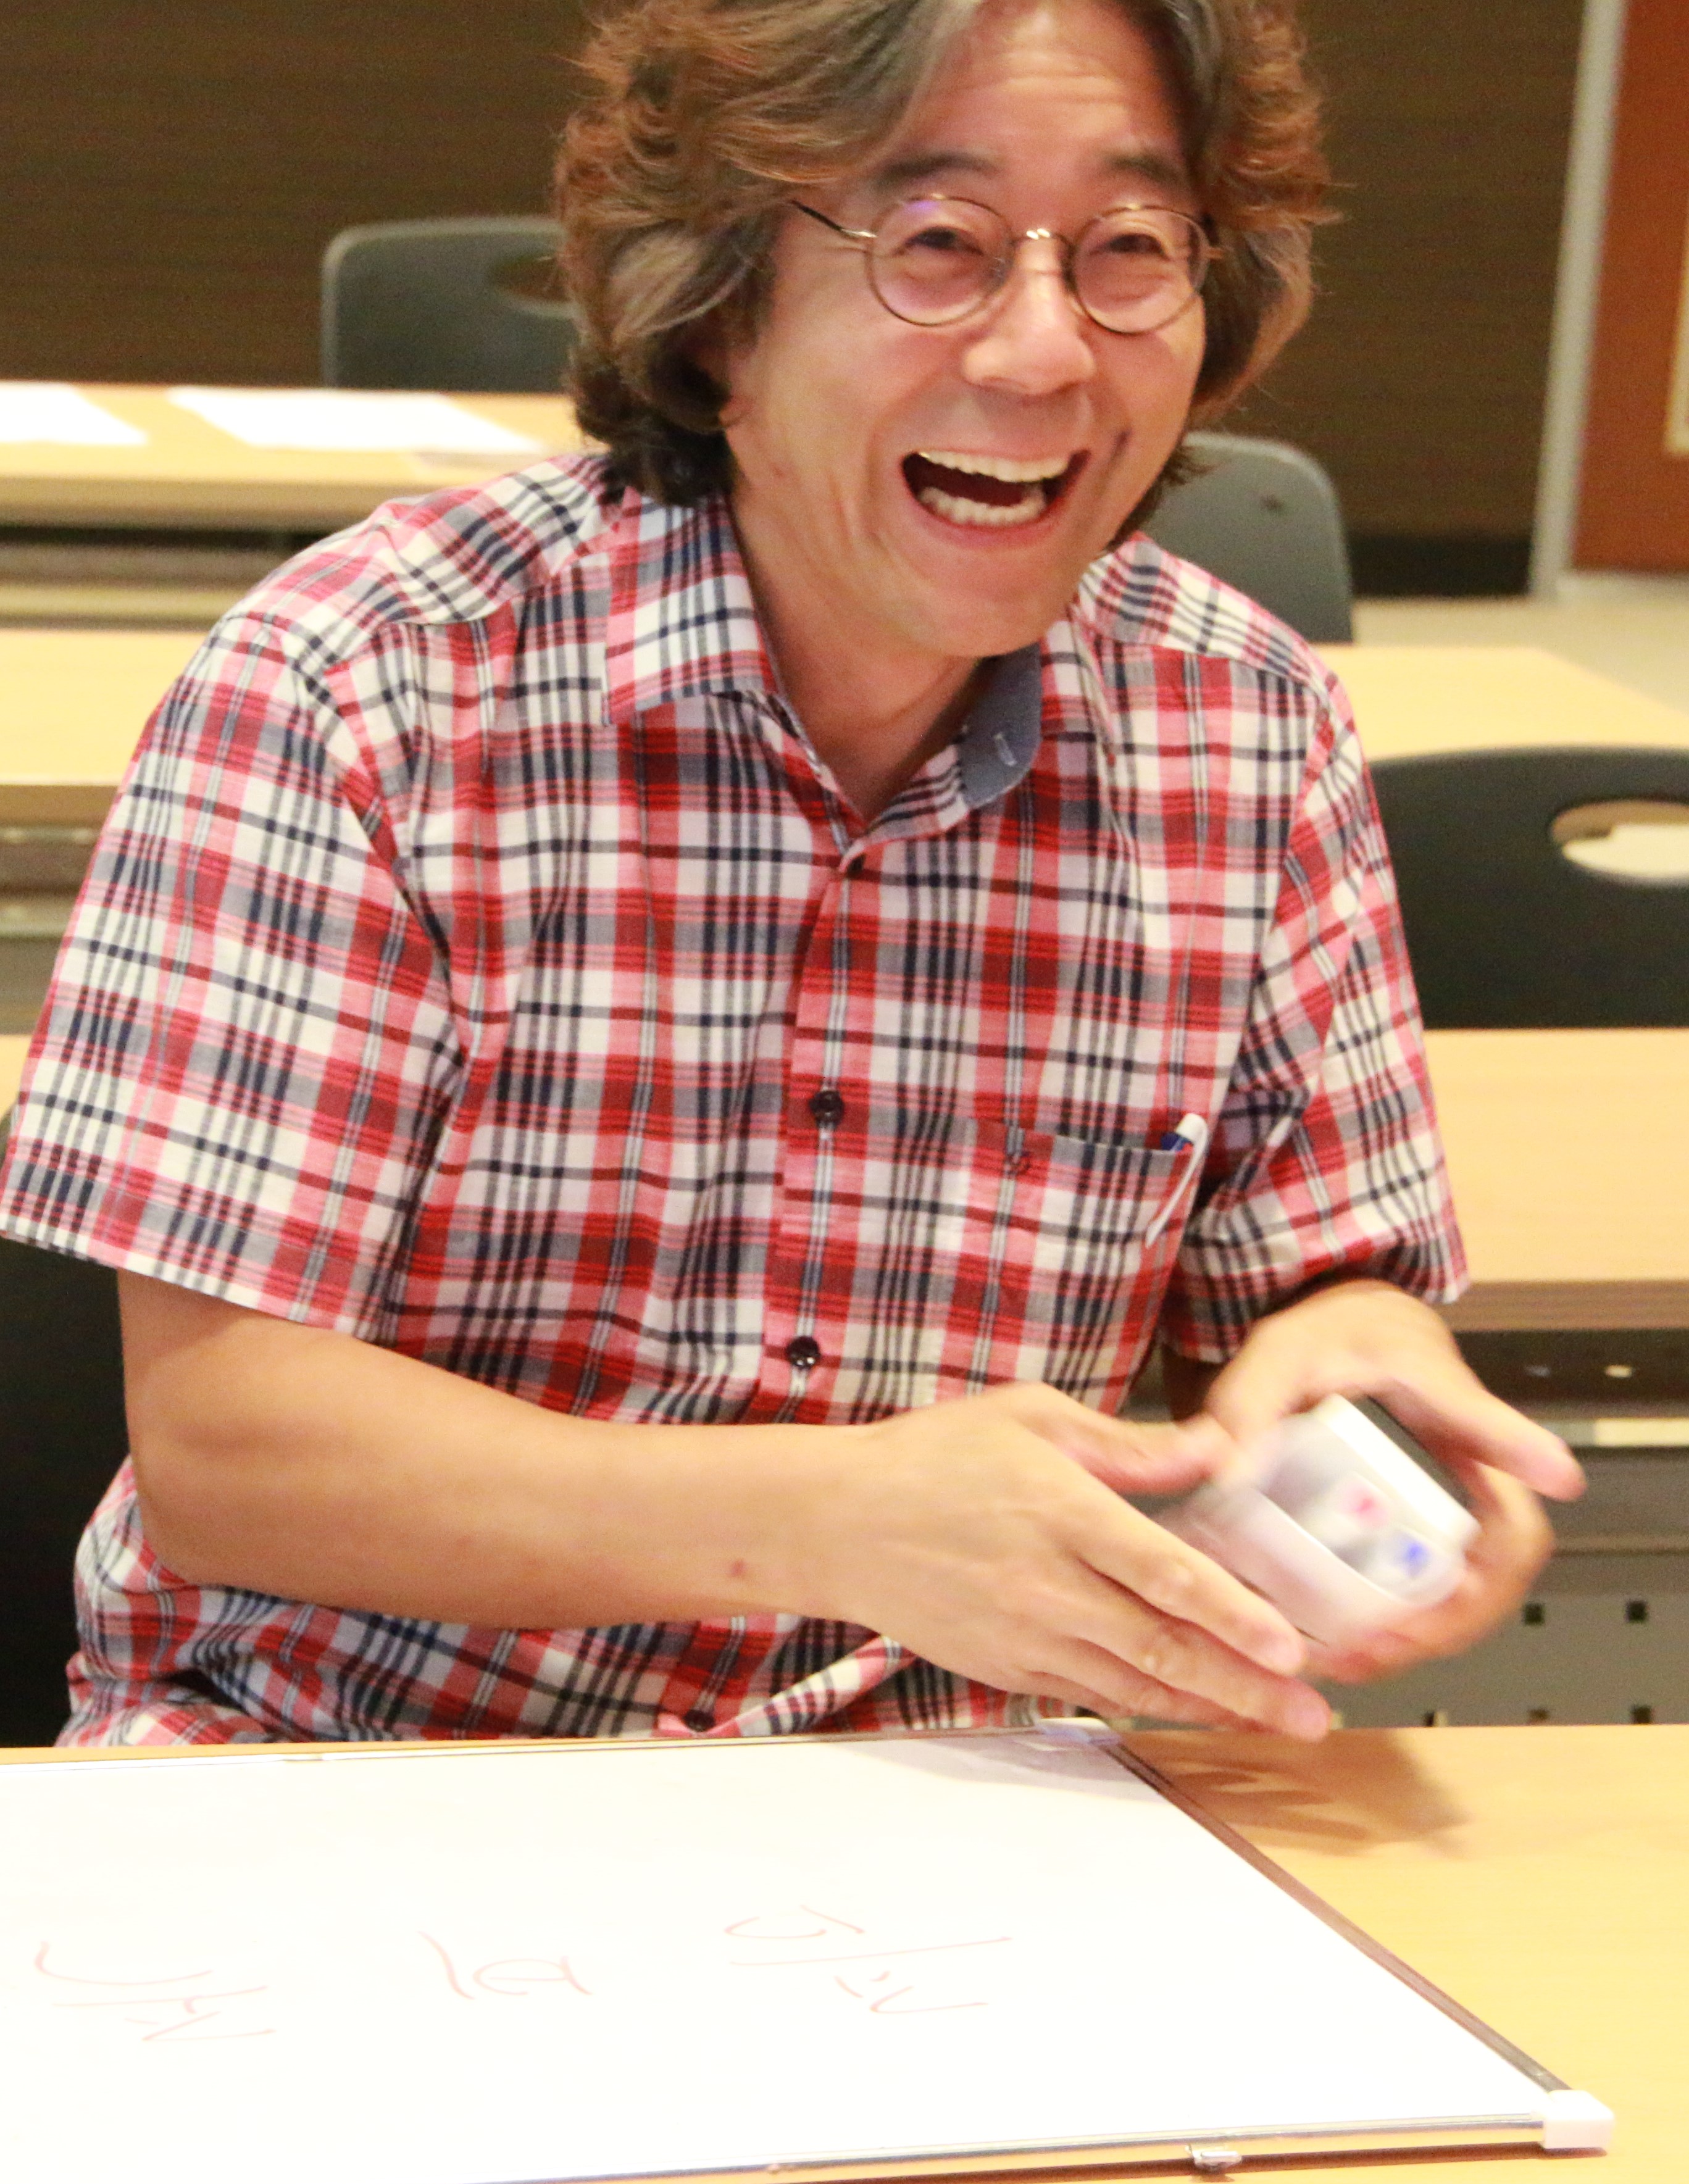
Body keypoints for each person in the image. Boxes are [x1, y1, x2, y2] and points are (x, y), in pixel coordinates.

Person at [0, 0, 1578, 1748]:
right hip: (347, 1766)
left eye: (1131, 249)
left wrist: (1354, 1365)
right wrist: (833, 1518)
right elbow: (231, 1451)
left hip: (955, 1796)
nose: (1044, 350)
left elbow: (1315, 1285)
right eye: (939, 244)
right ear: (719, 309)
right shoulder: (365, 688)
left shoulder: (1249, 729)